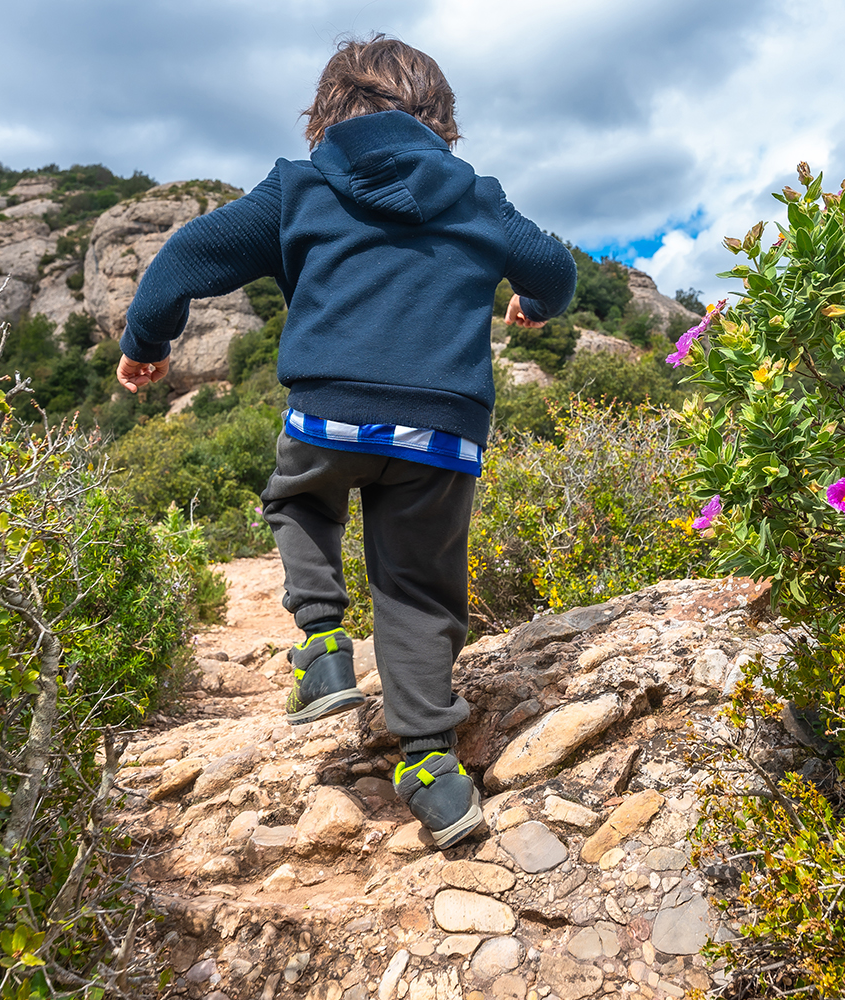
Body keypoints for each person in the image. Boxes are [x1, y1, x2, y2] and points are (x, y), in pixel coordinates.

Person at [116, 35, 577, 849]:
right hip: (443, 429)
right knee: (419, 591)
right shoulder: (478, 196)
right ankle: (433, 772)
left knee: (299, 501)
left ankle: (325, 647)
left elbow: (186, 255)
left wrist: (149, 342)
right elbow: (556, 267)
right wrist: (535, 305)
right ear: (442, 121)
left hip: (329, 410)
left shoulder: (300, 185)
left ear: (326, 115)